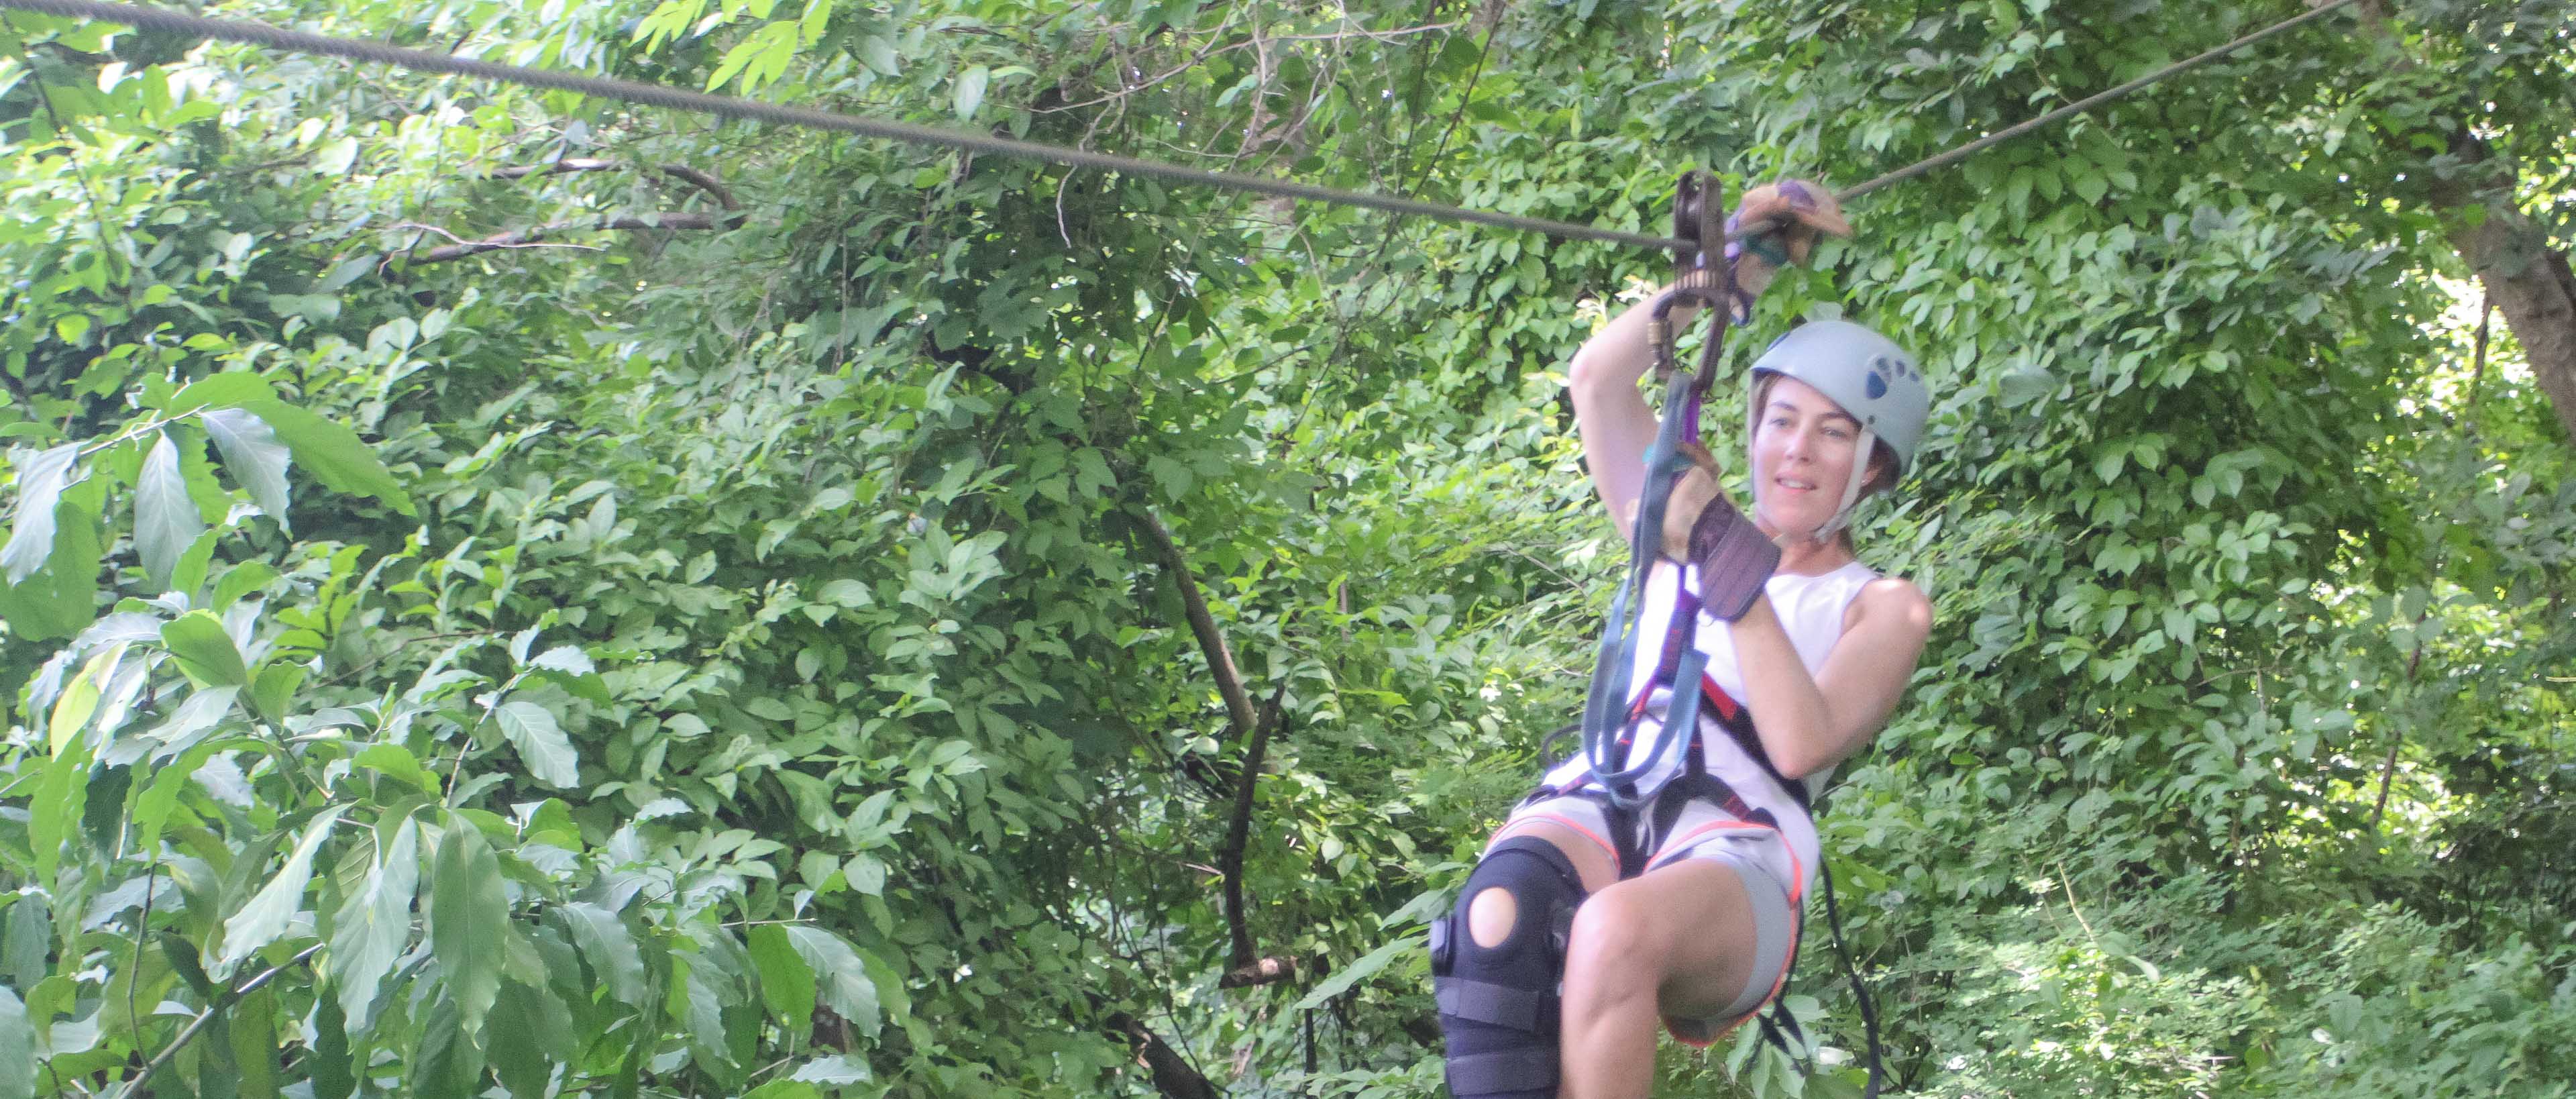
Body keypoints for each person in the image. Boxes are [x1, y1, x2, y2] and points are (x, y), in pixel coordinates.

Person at [1431, 186, 1934, 1099]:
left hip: (1739, 849)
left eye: (1833, 435)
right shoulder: (1669, 525)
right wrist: (1733, 265)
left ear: (1876, 469)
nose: (1797, 452)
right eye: (1781, 420)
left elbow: (1800, 741)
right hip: (1609, 791)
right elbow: (1596, 379)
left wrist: (1721, 547)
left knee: (1615, 932)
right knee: (1495, 914)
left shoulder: (1882, 605)